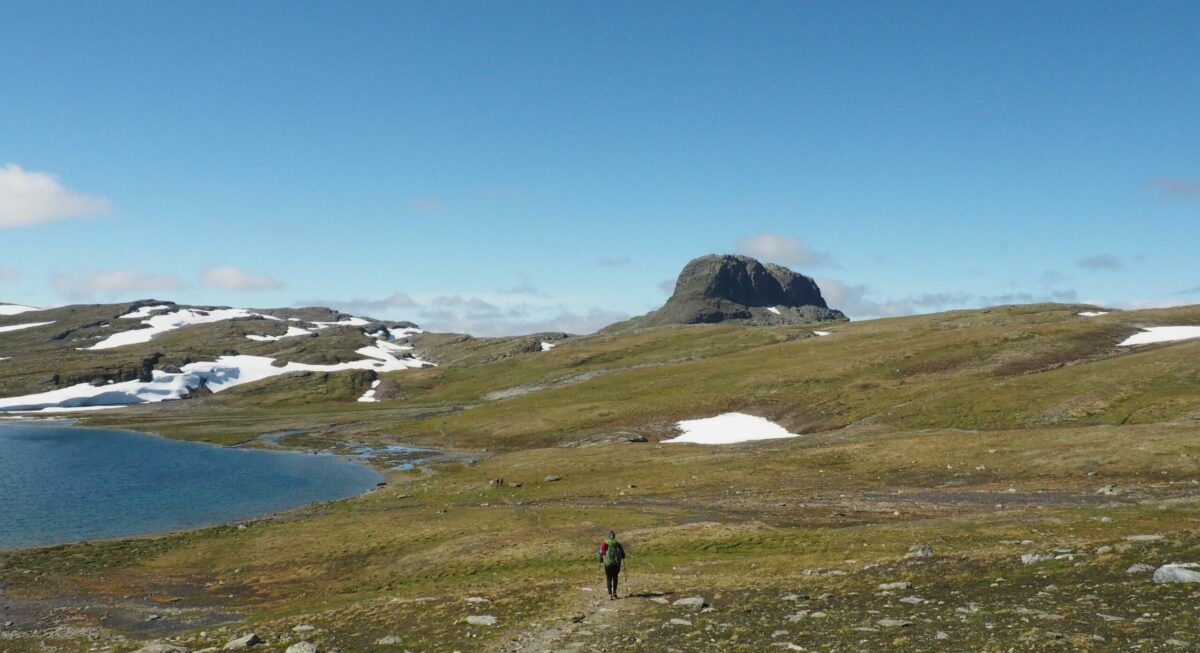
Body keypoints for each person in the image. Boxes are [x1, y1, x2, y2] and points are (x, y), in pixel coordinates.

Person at [598, 530, 626, 599]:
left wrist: (601, 560)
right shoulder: (617, 543)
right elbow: (623, 554)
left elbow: (601, 553)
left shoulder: (605, 543)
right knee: (615, 577)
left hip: (608, 564)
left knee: (608, 578)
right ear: (614, 536)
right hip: (616, 564)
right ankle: (615, 592)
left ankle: (610, 594)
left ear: (608, 536)